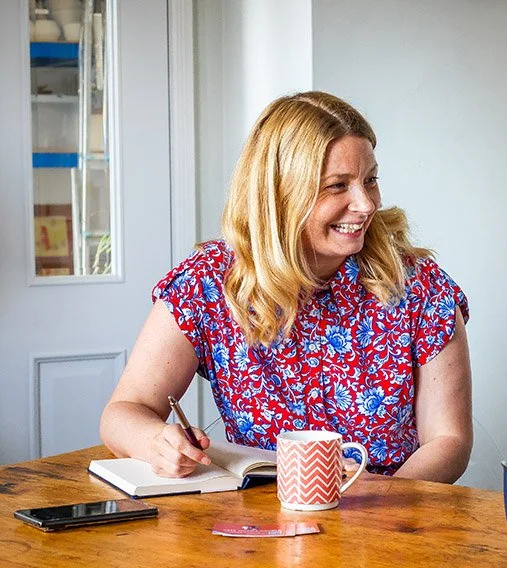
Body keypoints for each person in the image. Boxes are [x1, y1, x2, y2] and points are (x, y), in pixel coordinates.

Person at [100, 91, 472, 484]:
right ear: (280, 193)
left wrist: (376, 504)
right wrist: (157, 441)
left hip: (391, 522)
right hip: (255, 527)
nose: (366, 204)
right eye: (337, 186)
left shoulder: (420, 286)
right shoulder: (209, 282)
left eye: (370, 180)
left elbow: (449, 440)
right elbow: (123, 412)